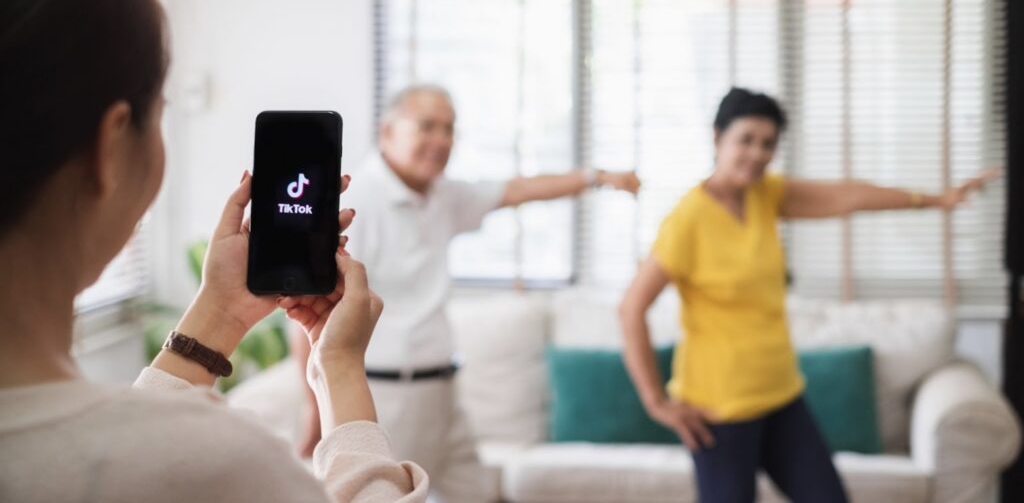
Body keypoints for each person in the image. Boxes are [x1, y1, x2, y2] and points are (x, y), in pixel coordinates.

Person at [0, 0, 427, 501]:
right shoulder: (218, 464)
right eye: (161, 112)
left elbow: (134, 441)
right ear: (110, 147)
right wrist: (338, 369)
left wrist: (219, 313)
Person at [617, 87, 998, 503]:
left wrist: (933, 200)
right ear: (717, 138)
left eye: (768, 143)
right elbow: (631, 309)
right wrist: (657, 402)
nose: (758, 153)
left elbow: (847, 196)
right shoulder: (687, 220)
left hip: (781, 396)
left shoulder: (765, 194)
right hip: (719, 410)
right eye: (746, 139)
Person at [288, 84, 641, 501]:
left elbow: (518, 190)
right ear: (388, 133)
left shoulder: (444, 195)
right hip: (387, 396)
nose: (442, 140)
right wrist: (315, 404)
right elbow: (305, 311)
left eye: (449, 129)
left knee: (476, 492)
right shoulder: (354, 201)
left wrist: (597, 178)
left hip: (444, 392)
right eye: (427, 127)